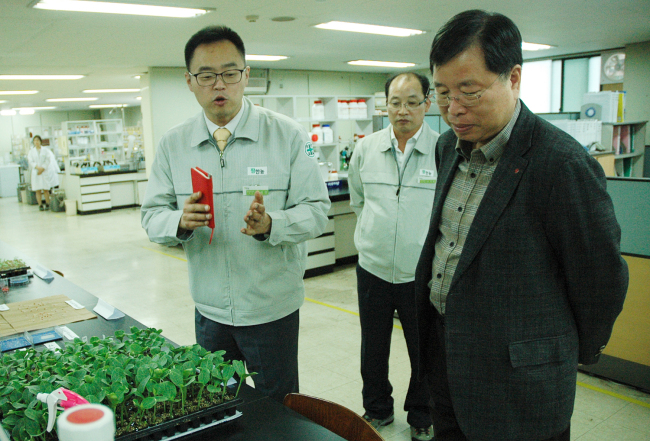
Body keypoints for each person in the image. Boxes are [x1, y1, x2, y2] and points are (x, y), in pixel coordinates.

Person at [414, 10, 629, 441]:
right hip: (446, 359)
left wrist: (562, 354)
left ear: (513, 78)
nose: (453, 109)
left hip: (521, 384)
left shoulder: (560, 164)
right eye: (442, 92)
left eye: (469, 91)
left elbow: (601, 279)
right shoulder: (446, 148)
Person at [141, 25, 330, 403]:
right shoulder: (173, 145)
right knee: (219, 403)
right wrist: (178, 221)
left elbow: (318, 211)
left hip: (271, 310)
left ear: (246, 76)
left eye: (229, 73)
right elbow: (151, 216)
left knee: (279, 409)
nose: (219, 86)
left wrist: (272, 224)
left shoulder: (292, 137)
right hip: (210, 313)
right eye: (206, 76)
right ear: (190, 82)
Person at [349, 72, 439, 441]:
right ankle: (377, 409)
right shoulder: (366, 148)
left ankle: (421, 414)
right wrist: (375, 234)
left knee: (424, 350)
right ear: (384, 105)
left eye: (412, 101)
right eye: (395, 102)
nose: (403, 110)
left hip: (420, 272)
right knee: (373, 346)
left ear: (427, 104)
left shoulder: (443, 148)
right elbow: (358, 200)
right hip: (372, 266)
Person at [27, 135, 59, 211]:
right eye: (35, 140)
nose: (36, 142)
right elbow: (30, 161)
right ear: (33, 142)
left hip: (44, 171)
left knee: (46, 189)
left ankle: (48, 204)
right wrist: (37, 167)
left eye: (38, 140)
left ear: (40, 141)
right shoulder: (31, 152)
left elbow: (48, 160)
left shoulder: (45, 150)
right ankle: (40, 205)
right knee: (38, 190)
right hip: (36, 172)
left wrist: (43, 168)